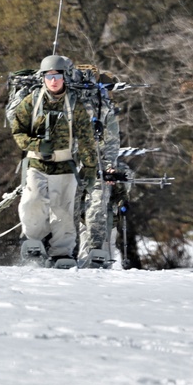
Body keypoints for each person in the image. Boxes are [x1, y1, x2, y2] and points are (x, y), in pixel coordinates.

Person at [10, 54, 98, 267]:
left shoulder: (74, 105)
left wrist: (89, 167)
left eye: (57, 75)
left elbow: (86, 137)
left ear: (65, 77)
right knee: (32, 203)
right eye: (49, 76)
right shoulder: (32, 101)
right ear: (43, 78)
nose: (54, 80)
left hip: (64, 165)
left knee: (63, 210)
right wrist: (36, 145)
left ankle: (62, 252)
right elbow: (18, 131)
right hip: (37, 163)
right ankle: (33, 242)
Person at [73, 66, 121, 268]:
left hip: (95, 165)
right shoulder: (71, 102)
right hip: (71, 163)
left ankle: (94, 254)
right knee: (69, 209)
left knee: (96, 209)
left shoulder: (105, 107)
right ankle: (67, 253)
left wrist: (109, 166)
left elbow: (111, 140)